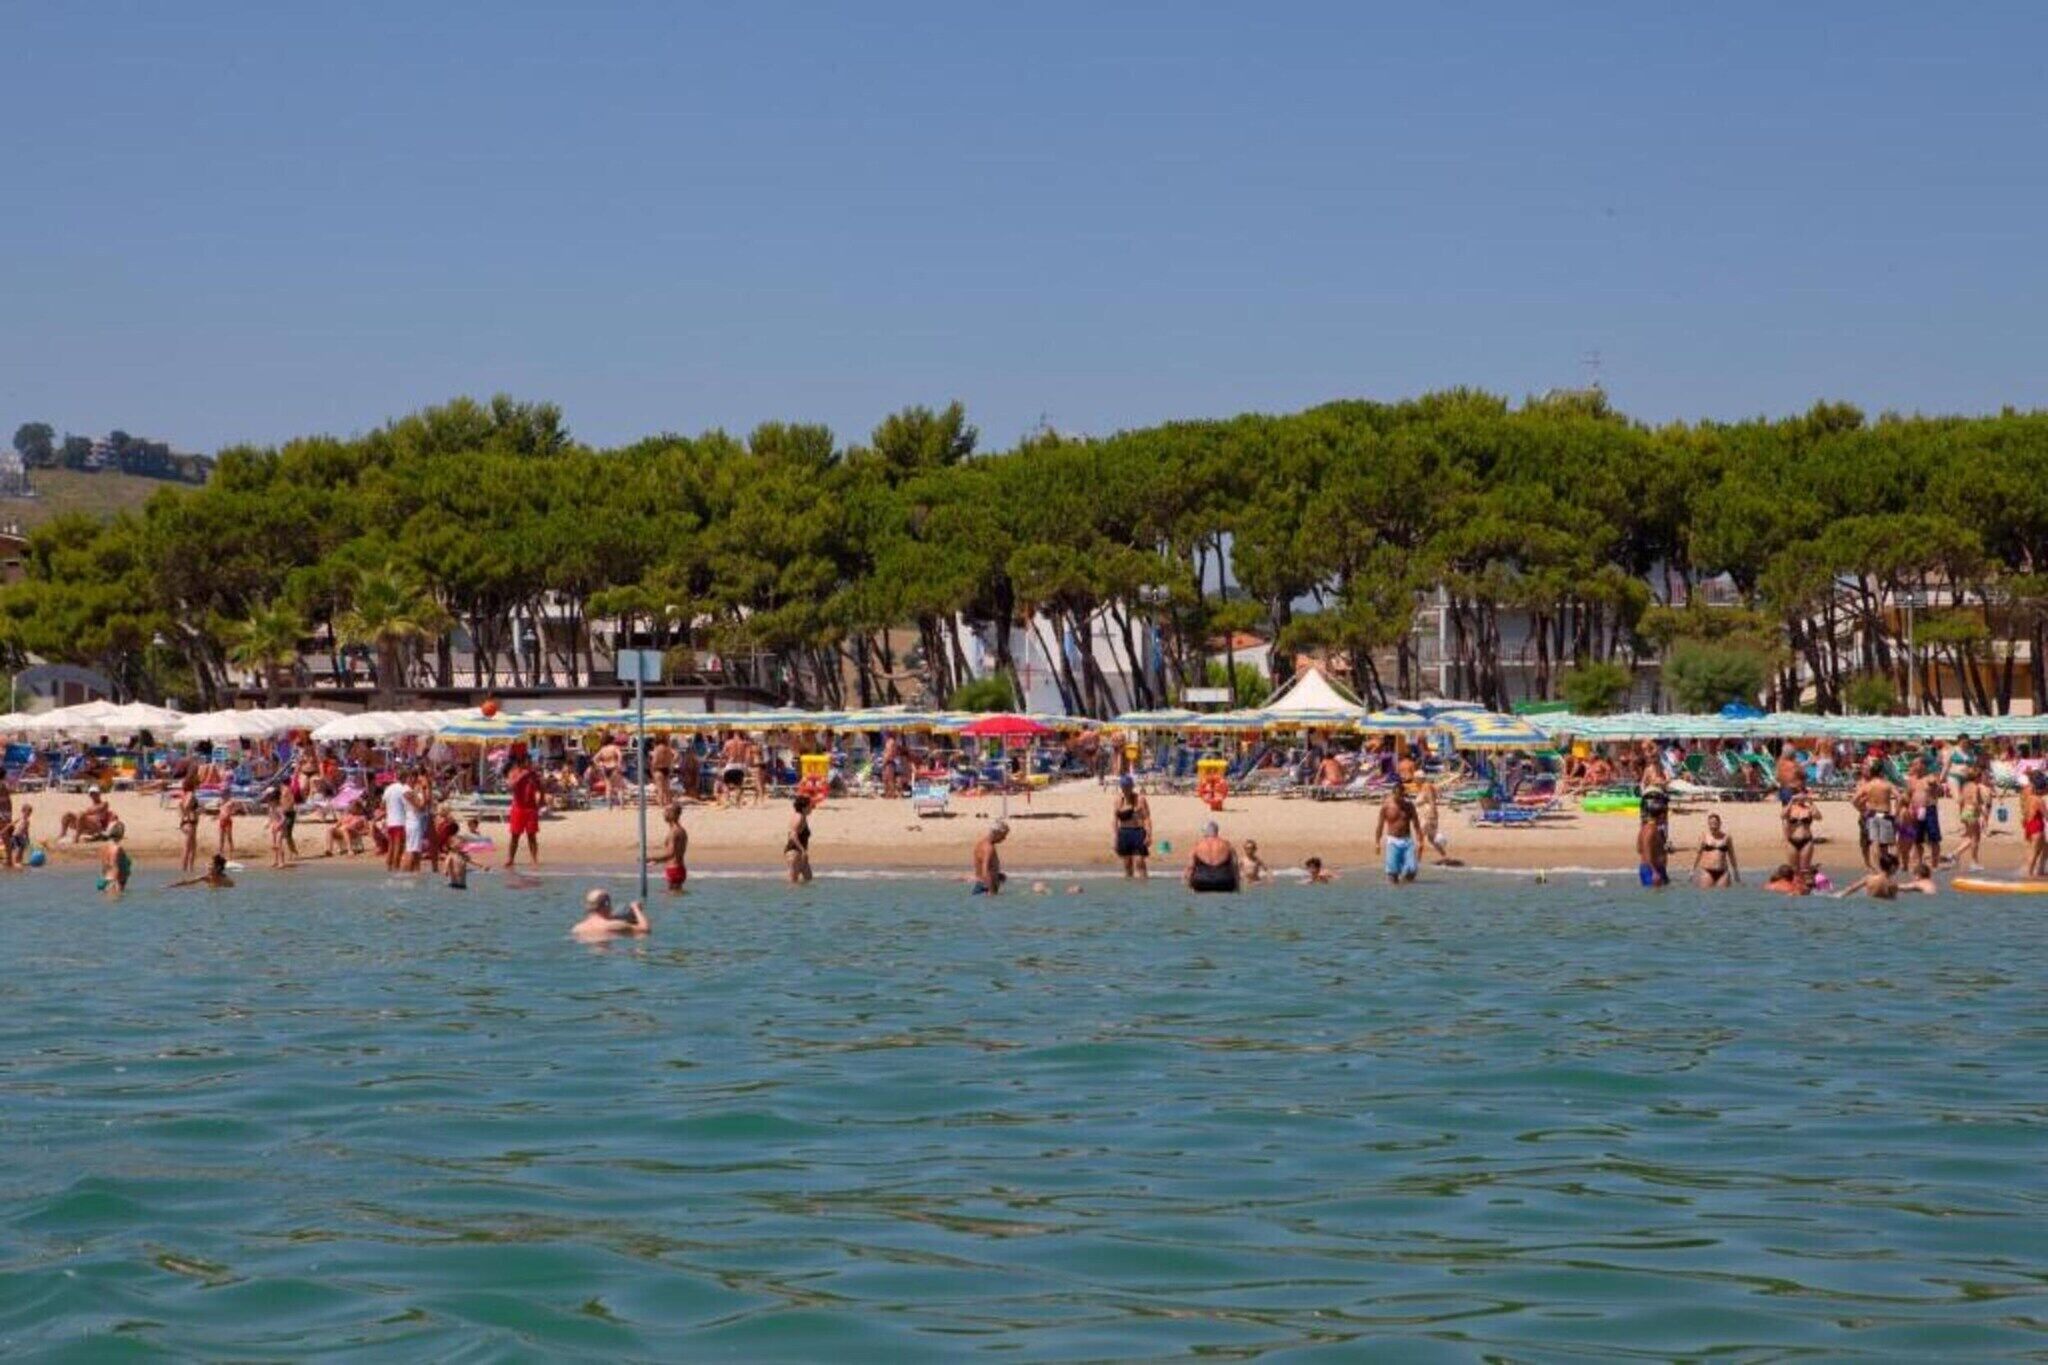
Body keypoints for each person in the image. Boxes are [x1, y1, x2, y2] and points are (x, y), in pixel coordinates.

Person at [1853, 761, 1898, 870]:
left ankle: (1877, 867)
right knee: (1884, 844)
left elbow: (1854, 800)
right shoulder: (1887, 785)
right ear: (1882, 772)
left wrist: (1862, 810)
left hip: (1872, 814)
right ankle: (1884, 866)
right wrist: (1897, 811)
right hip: (1884, 814)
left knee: (1875, 842)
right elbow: (1899, 796)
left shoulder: (1868, 785)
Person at [505, 749, 543, 870]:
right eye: (528, 761)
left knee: (532, 835)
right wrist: (522, 775)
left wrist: (541, 799)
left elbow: (541, 787)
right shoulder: (514, 772)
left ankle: (534, 858)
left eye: (530, 761)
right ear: (521, 763)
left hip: (531, 808)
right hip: (518, 808)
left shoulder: (533, 774)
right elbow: (511, 786)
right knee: (515, 835)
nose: (530, 764)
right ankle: (510, 859)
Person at [1374, 788, 1420, 884]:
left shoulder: (1409, 806)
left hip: (1407, 841)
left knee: (1412, 870)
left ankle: (1405, 890)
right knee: (1392, 874)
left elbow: (1416, 824)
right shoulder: (1386, 807)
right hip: (1393, 841)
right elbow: (1380, 825)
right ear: (1393, 794)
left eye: (1401, 795)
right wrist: (1377, 843)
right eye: (1397, 795)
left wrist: (1420, 840)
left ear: (1403, 794)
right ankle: (1395, 891)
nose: (1399, 798)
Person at [572, 887, 649, 941]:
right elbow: (645, 929)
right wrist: (636, 909)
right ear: (606, 904)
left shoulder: (577, 928)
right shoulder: (614, 925)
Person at [1183, 820, 1240, 893]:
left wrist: (1189, 886)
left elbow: (1190, 866)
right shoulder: (1227, 845)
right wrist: (1237, 886)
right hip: (1224, 882)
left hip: (1201, 882)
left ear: (1205, 832)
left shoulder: (1197, 846)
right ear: (1217, 831)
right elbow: (1235, 866)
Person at [1112, 775, 1151, 879]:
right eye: (1124, 787)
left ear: (1132, 786)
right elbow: (1115, 820)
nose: (1126, 789)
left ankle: (1143, 882)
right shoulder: (1118, 800)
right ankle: (1129, 886)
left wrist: (1148, 835)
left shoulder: (1140, 799)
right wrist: (1115, 838)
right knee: (1127, 863)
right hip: (1124, 832)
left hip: (1138, 831)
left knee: (1139, 861)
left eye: (1128, 786)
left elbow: (1147, 818)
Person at [1836, 852, 1917, 900]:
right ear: (1892, 867)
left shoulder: (1868, 878)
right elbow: (1892, 901)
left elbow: (1852, 889)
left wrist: (1840, 895)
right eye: (1897, 866)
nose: (1897, 869)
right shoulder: (1891, 884)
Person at [1953, 770, 1990, 872]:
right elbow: (1974, 801)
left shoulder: (1964, 786)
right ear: (1977, 777)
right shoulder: (1975, 787)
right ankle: (1973, 862)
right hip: (1972, 812)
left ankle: (1955, 854)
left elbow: (1960, 801)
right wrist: (1982, 811)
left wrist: (1961, 814)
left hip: (1965, 812)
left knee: (1970, 838)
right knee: (1975, 839)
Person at [1691, 812, 1740, 888]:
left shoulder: (1726, 837)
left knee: (1722, 895)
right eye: (1711, 823)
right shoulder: (1704, 836)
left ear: (1720, 823)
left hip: (1723, 872)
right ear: (1708, 824)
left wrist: (1736, 872)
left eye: (1715, 823)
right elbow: (1698, 854)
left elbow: (1732, 856)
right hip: (1707, 871)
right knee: (1707, 895)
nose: (1713, 825)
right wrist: (1692, 870)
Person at [648, 803, 689, 893]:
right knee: (675, 895)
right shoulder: (682, 830)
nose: (664, 814)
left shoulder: (673, 832)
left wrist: (649, 858)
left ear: (672, 814)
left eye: (667, 811)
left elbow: (671, 853)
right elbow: (676, 853)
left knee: (670, 898)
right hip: (680, 868)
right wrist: (657, 861)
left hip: (673, 870)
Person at [1637, 784, 1671, 887]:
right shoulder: (1650, 830)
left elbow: (1639, 849)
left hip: (1656, 868)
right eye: (1665, 815)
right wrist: (1654, 872)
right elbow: (1645, 851)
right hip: (1652, 870)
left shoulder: (1649, 828)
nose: (1665, 818)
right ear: (1661, 815)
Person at [1782, 788, 1820, 878]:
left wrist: (1811, 802)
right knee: (1793, 870)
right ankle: (1795, 889)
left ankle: (1804, 889)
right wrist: (1791, 801)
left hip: (1807, 841)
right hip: (1792, 841)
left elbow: (1818, 817)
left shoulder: (1808, 809)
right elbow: (1782, 815)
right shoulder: (1790, 808)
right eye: (1799, 795)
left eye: (1803, 795)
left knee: (1804, 869)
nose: (1801, 798)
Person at [381, 770, 413, 872]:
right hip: (400, 821)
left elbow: (382, 805)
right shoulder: (403, 789)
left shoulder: (388, 788)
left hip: (390, 821)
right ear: (404, 777)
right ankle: (395, 868)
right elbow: (408, 805)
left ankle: (388, 869)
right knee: (398, 847)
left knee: (391, 846)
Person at [97, 822, 131, 900]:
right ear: (121, 834)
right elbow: (114, 865)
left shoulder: (104, 847)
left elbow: (104, 866)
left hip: (104, 880)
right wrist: (115, 884)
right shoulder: (117, 848)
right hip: (114, 883)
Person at [973, 820, 1008, 895]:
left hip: (980, 886)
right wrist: (991, 891)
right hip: (985, 888)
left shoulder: (981, 844)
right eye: (1003, 835)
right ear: (997, 833)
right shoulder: (989, 848)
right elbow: (985, 870)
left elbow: (982, 868)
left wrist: (997, 875)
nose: (1004, 838)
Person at [785, 795, 814, 884]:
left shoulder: (802, 817)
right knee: (793, 882)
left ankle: (804, 897)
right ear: (804, 807)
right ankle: (791, 898)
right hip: (794, 852)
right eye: (810, 806)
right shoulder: (799, 817)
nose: (812, 808)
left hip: (800, 852)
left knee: (808, 878)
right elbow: (792, 835)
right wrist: (802, 850)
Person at [175, 776, 201, 873]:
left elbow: (180, 807)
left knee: (192, 847)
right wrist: (195, 812)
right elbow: (185, 807)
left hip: (188, 822)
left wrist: (184, 814)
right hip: (190, 822)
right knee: (188, 847)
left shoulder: (185, 794)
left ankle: (188, 870)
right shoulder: (190, 795)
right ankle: (185, 869)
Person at [168, 854, 235, 890]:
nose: (208, 867)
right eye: (209, 864)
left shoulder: (226, 881)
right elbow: (188, 882)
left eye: (211, 865)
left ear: (218, 868)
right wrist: (171, 886)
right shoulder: (206, 878)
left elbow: (232, 889)